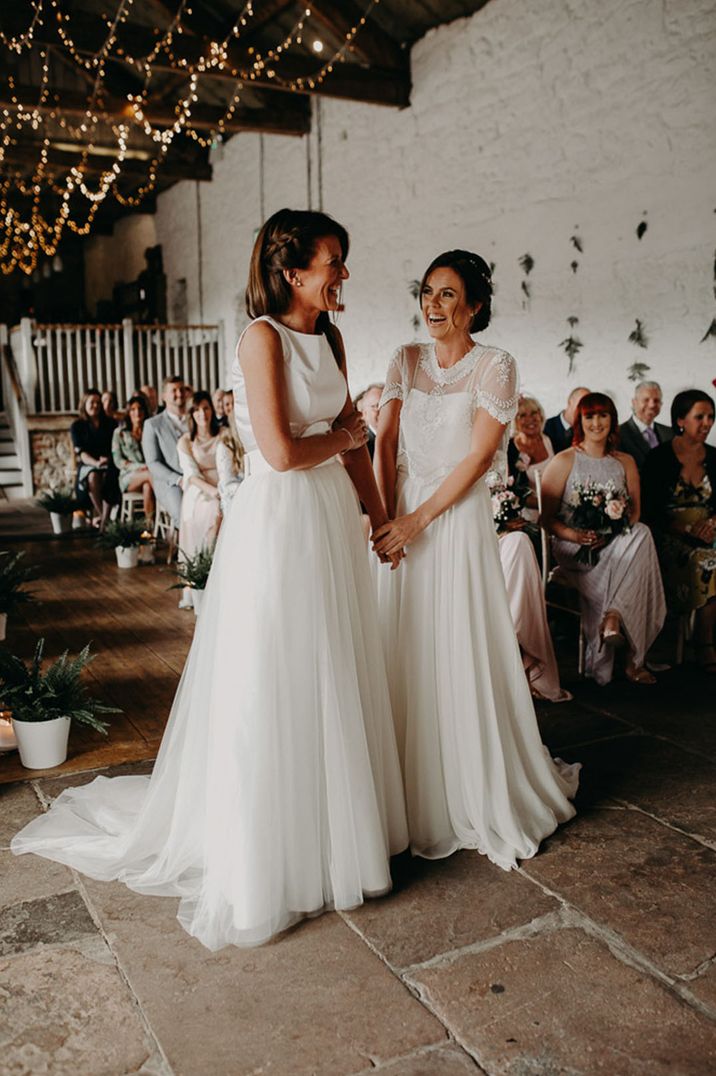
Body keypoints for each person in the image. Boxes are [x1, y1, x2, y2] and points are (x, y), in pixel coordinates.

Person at [12, 209, 408, 950]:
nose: (343, 275)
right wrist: (353, 435)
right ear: (293, 273)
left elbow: (352, 435)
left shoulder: (332, 336)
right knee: (277, 672)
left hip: (328, 518)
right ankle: (267, 854)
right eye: (333, 263)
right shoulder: (261, 338)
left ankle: (336, 834)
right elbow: (286, 453)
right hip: (282, 520)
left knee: (333, 665)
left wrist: (381, 516)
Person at [372, 248, 579, 868]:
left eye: (447, 295)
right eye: (427, 293)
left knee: (453, 643)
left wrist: (416, 520)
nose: (433, 306)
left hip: (453, 520)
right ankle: (399, 792)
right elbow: (384, 442)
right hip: (401, 513)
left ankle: (466, 786)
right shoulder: (404, 359)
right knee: (400, 642)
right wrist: (387, 519)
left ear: (475, 306)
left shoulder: (496, 366)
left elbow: (474, 459)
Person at [540, 392, 666, 686]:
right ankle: (634, 660)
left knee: (642, 532)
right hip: (574, 546)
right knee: (638, 550)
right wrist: (577, 535)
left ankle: (613, 616)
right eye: (589, 416)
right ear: (580, 421)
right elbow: (546, 520)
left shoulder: (625, 462)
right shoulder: (563, 461)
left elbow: (634, 513)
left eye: (603, 415)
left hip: (614, 542)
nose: (596, 423)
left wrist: (609, 535)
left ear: (612, 420)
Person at [642, 389, 716, 672]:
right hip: (670, 535)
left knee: (711, 554)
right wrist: (686, 528)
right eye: (700, 417)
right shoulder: (660, 457)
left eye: (711, 417)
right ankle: (704, 641)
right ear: (681, 420)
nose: (707, 423)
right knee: (706, 559)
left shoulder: (715, 457)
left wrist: (711, 524)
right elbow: (650, 511)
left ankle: (705, 632)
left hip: (708, 531)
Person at [177, 391, 222, 558]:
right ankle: (207, 562)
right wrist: (214, 492)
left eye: (206, 408)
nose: (202, 414)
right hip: (200, 489)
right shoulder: (186, 441)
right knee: (215, 509)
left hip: (225, 482)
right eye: (197, 410)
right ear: (191, 414)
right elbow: (191, 475)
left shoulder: (224, 434)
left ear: (212, 410)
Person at [70, 388, 119, 530]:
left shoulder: (110, 424)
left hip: (110, 462)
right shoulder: (77, 426)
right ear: (84, 404)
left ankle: (104, 520)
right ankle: (105, 518)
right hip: (89, 464)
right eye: (92, 402)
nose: (96, 405)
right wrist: (96, 463)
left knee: (111, 475)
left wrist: (108, 459)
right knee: (92, 476)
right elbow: (82, 454)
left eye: (98, 402)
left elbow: (116, 446)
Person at [142, 375, 186, 526]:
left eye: (181, 389)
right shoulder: (153, 424)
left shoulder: (196, 418)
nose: (179, 394)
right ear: (164, 396)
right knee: (183, 514)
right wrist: (178, 480)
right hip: (170, 483)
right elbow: (153, 463)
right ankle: (189, 549)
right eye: (174, 390)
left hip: (198, 477)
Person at [508, 393, 553, 520]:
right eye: (522, 415)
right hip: (526, 518)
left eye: (534, 413)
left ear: (541, 415)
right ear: (515, 421)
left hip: (557, 510)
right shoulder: (510, 449)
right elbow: (514, 491)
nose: (530, 419)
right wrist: (546, 505)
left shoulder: (550, 440)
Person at [111, 394, 155, 521]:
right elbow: (118, 461)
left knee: (147, 486)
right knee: (149, 475)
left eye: (140, 409)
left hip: (149, 475)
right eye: (133, 409)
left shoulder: (150, 431)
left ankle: (149, 526)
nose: (137, 413)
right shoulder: (120, 433)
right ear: (128, 412)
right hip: (128, 477)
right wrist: (141, 467)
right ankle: (169, 506)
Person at [618, 380, 673, 469]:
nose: (652, 405)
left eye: (656, 400)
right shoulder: (618, 434)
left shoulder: (669, 433)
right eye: (646, 400)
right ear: (634, 402)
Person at [544, 387, 590, 454]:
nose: (584, 409)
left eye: (588, 406)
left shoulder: (589, 430)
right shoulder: (544, 428)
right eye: (580, 404)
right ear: (569, 402)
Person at [355, 384, 383, 460]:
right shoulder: (363, 447)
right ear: (364, 414)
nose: (383, 410)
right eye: (376, 406)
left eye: (386, 405)